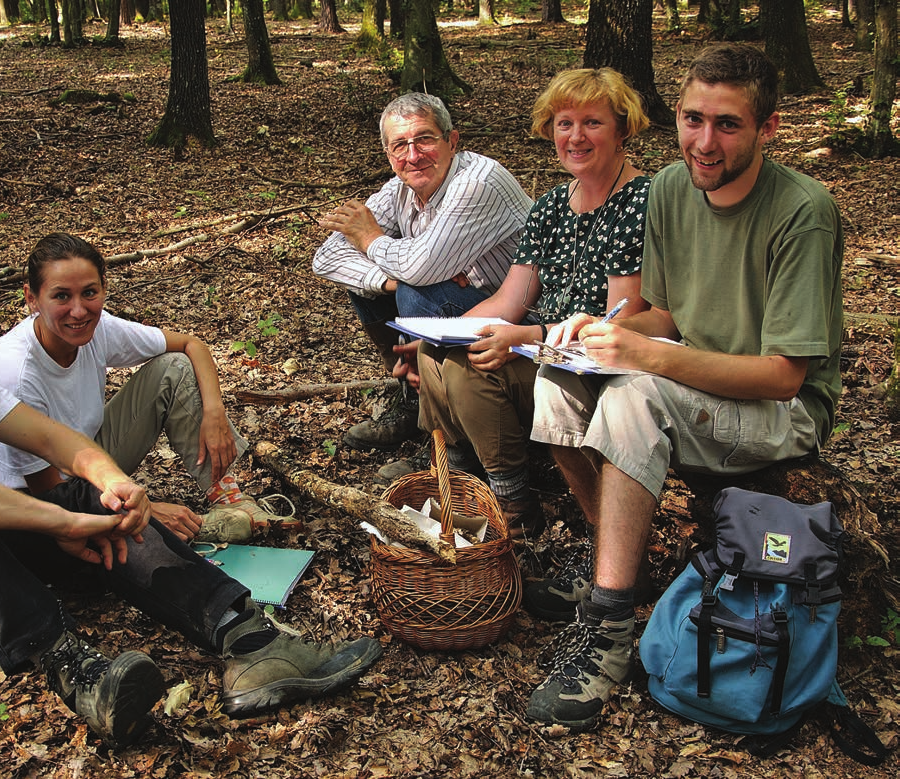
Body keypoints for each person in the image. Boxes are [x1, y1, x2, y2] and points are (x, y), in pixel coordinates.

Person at [0, 228, 383, 749]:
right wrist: (55, 524)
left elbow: (52, 439)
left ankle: (246, 637)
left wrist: (113, 482)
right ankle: (76, 669)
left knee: (92, 494)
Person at [523, 43, 844, 732]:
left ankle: (607, 623)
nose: (703, 141)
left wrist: (649, 356)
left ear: (768, 128)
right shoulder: (669, 189)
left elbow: (783, 374)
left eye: (726, 124)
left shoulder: (799, 211)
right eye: (692, 118)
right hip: (697, 387)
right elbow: (663, 314)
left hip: (779, 412)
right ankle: (618, 556)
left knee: (634, 396)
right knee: (555, 378)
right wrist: (601, 328)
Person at [400, 68, 651, 534]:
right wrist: (434, 334)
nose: (575, 137)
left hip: (591, 362)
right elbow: (510, 298)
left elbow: (623, 317)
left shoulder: (641, 200)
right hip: (542, 347)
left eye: (591, 123)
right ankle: (456, 480)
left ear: (622, 129)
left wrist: (528, 335)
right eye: (563, 123)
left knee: (470, 366)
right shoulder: (553, 204)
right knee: (439, 351)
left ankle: (514, 505)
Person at [0, 232, 293, 545]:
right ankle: (190, 527)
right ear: (32, 298)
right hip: (24, 507)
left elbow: (191, 345)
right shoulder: (16, 373)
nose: (78, 310)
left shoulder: (97, 327)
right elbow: (53, 495)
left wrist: (214, 412)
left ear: (104, 287)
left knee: (172, 368)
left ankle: (228, 497)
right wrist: (144, 507)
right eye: (61, 296)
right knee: (119, 535)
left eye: (89, 292)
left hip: (83, 462)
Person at [313, 92, 533, 452]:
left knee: (415, 291)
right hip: (463, 304)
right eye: (400, 145)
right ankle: (414, 402)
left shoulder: (478, 181)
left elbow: (419, 267)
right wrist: (389, 279)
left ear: (452, 141)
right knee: (374, 285)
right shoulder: (399, 188)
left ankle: (449, 441)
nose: (413, 156)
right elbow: (328, 257)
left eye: (425, 139)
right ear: (388, 154)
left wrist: (372, 239)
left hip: (517, 315)